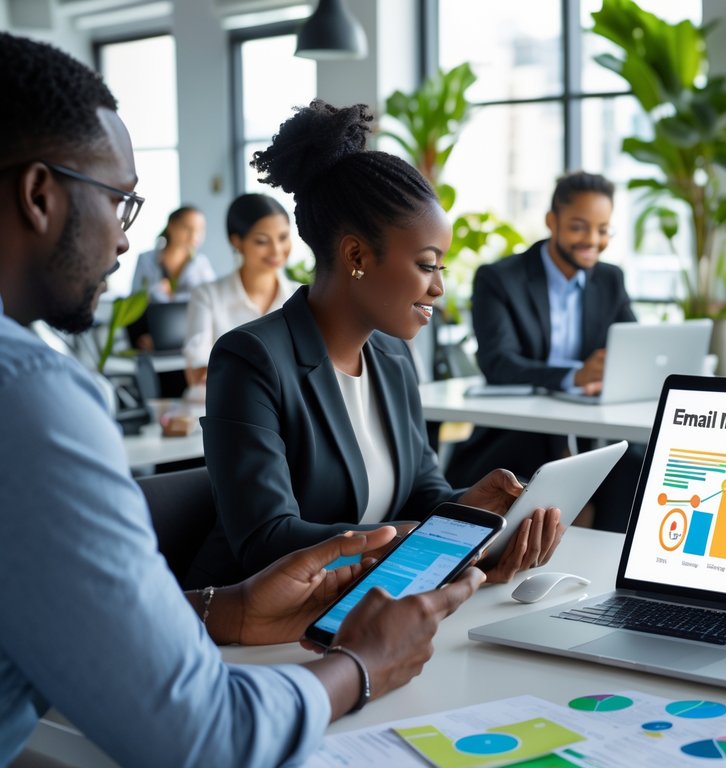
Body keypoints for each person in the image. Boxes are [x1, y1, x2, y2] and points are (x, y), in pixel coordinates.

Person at [0, 32, 484, 766]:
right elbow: (198, 736)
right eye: (120, 202)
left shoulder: (390, 357)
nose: (128, 244)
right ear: (39, 195)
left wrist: (219, 611)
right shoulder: (31, 398)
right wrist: (359, 666)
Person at [192, 100, 562, 588]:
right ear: (356, 254)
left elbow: (422, 491)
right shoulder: (252, 359)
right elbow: (265, 539)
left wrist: (471, 507)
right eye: (427, 265)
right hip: (256, 630)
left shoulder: (391, 357)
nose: (438, 288)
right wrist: (422, 541)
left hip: (374, 604)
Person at [445, 171, 644, 532]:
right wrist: (574, 375)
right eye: (579, 227)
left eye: (603, 230)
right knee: (549, 462)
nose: (593, 241)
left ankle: (609, 567)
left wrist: (619, 368)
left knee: (635, 465)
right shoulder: (500, 278)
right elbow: (497, 362)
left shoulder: (609, 279)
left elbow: (633, 347)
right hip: (516, 434)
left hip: (589, 432)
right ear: (552, 221)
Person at [183, 193, 299, 386]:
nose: (277, 250)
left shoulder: (300, 297)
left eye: (283, 237)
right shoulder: (207, 296)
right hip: (217, 410)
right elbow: (197, 372)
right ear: (236, 241)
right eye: (262, 241)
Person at [127, 204, 215, 350]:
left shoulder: (201, 264)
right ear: (172, 226)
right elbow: (135, 300)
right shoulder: (146, 259)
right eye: (187, 228)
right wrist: (156, 290)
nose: (194, 236)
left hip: (188, 338)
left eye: (200, 230)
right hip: (149, 335)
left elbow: (211, 303)